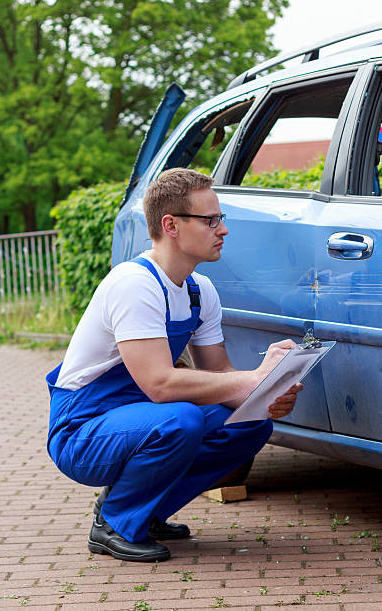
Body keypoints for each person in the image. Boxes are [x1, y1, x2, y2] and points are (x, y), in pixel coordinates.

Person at [45, 168, 302, 563]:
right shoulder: (134, 284)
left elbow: (219, 376)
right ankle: (113, 523)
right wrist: (251, 379)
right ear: (171, 225)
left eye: (221, 219)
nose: (223, 229)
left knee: (249, 426)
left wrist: (264, 394)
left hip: (139, 419)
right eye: (210, 220)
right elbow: (160, 386)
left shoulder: (200, 291)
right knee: (180, 419)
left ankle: (145, 513)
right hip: (82, 430)